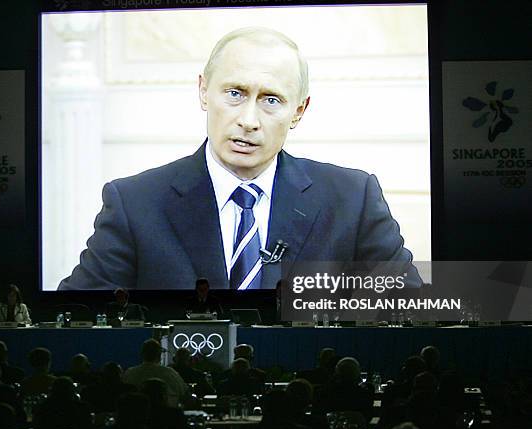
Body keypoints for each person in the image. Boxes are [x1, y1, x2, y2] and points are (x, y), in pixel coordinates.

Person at [58, 26, 422, 291]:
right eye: (234, 93)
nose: (248, 120)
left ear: (298, 111)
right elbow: (75, 322)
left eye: (271, 100)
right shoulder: (134, 203)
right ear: (203, 91)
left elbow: (411, 313)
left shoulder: (352, 199)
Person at [122, 339, 189, 407]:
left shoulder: (130, 373)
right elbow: (185, 394)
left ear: (142, 354)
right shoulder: (171, 373)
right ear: (159, 356)